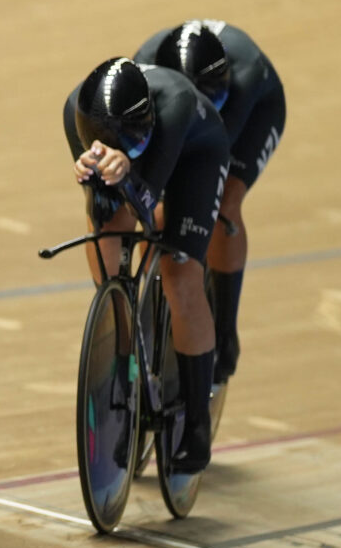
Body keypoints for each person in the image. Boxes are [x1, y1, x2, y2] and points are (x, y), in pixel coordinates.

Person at [64, 56, 231, 471]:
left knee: (179, 273)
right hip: (134, 163)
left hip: (194, 155)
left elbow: (146, 206)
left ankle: (197, 421)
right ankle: (125, 358)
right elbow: (103, 207)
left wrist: (129, 171)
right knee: (105, 235)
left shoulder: (174, 104)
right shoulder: (75, 112)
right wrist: (94, 178)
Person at [132, 21, 279, 385]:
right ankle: (155, 308)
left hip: (252, 115)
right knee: (154, 212)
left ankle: (226, 330)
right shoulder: (145, 72)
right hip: (171, 115)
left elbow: (213, 158)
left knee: (223, 203)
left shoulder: (245, 75)